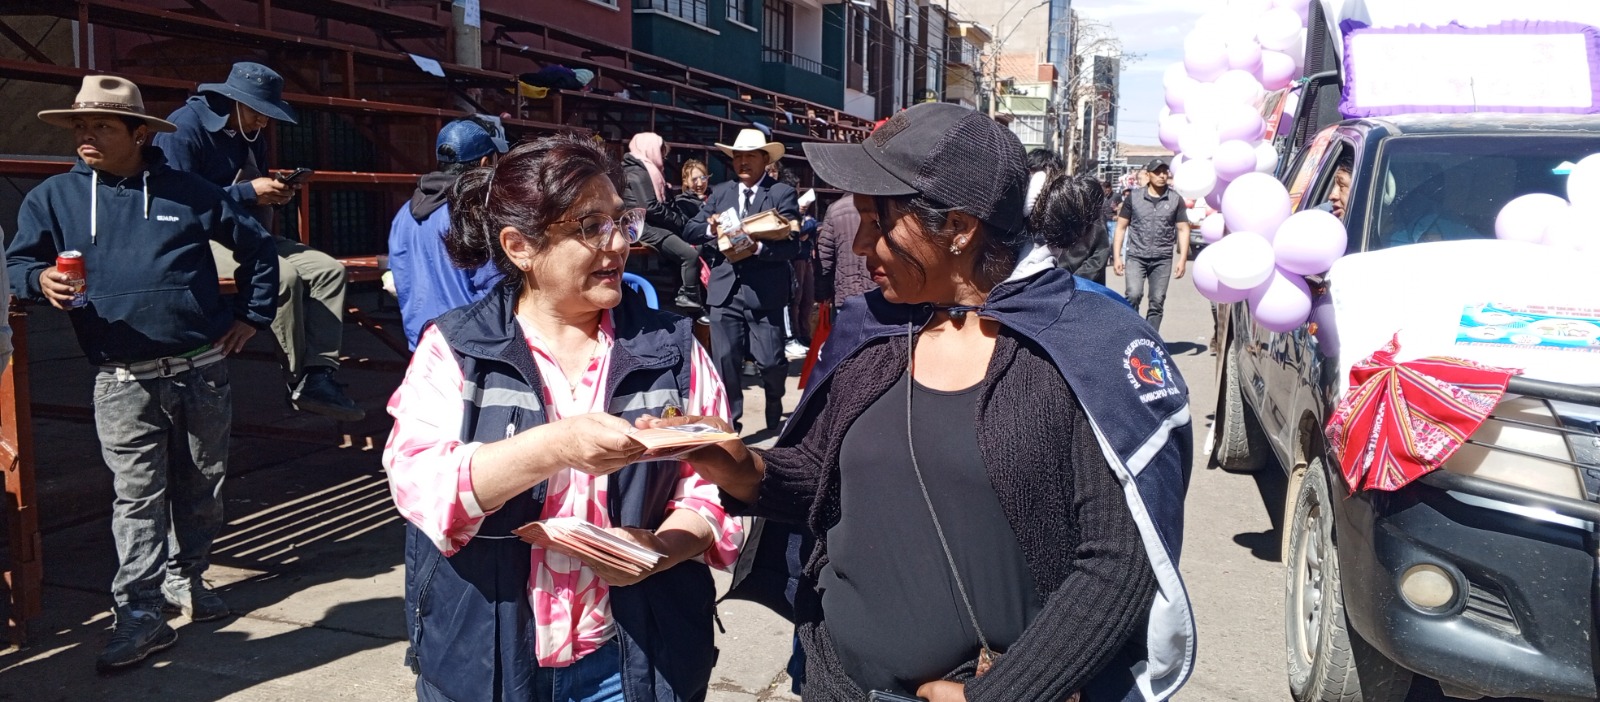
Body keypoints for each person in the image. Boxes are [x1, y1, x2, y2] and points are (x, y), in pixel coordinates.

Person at [643, 102, 1195, 702]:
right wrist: (738, 465)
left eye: (877, 223)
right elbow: (820, 478)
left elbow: (1117, 565)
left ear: (959, 228)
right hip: (836, 682)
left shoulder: (1081, 347)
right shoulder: (879, 334)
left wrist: (1001, 695)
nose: (858, 244)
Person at [384, 135, 743, 702]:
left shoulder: (670, 346)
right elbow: (421, 486)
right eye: (589, 228)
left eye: (622, 223)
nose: (617, 246)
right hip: (490, 658)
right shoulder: (456, 349)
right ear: (520, 246)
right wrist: (556, 446)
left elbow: (710, 494)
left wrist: (658, 550)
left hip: (638, 657)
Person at [8, 75, 277, 671]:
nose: (86, 136)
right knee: (137, 498)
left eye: (101, 125)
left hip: (201, 369)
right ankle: (140, 612)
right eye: (79, 126)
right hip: (121, 378)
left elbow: (258, 249)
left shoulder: (189, 190)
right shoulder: (52, 198)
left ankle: (189, 578)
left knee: (202, 488)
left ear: (138, 133)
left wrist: (252, 317)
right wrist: (37, 281)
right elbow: (18, 262)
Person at [154, 61, 362, 421]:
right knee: (282, 276)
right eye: (259, 112)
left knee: (328, 270)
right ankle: (298, 382)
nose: (264, 122)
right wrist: (248, 193)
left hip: (244, 233)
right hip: (195, 240)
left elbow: (244, 194)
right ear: (234, 101)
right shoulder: (182, 129)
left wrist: (274, 194)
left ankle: (319, 373)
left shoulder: (249, 136)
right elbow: (175, 204)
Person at [683, 128, 801, 431]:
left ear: (765, 159)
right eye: (738, 156)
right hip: (725, 291)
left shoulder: (781, 193)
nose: (743, 162)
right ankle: (730, 426)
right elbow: (690, 230)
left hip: (765, 292)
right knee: (725, 362)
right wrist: (710, 229)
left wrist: (758, 247)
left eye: (750, 156)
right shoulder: (720, 193)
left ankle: (774, 397)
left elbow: (793, 244)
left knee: (772, 362)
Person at [387, 117, 508, 350]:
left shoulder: (405, 213)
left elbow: (399, 278)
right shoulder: (473, 210)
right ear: (484, 162)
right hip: (473, 347)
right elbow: (496, 290)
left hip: (423, 344)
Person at [621, 132, 703, 311]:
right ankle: (689, 296)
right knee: (690, 254)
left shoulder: (646, 170)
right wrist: (678, 221)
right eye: (661, 151)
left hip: (648, 224)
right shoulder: (638, 172)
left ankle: (682, 297)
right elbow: (650, 207)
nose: (664, 157)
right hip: (642, 227)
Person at [1113, 158, 1191, 333]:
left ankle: (1150, 338)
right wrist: (1117, 256)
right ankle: (1131, 335)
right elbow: (1121, 227)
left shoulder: (1175, 199)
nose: (1162, 175)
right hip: (1136, 256)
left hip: (1162, 258)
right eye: (1157, 172)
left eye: (1165, 172)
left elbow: (1183, 229)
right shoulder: (1134, 197)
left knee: (1157, 301)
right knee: (1133, 295)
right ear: (1148, 175)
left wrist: (1183, 259)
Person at [813, 194, 870, 310]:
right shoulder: (884, 206)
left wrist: (822, 294)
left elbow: (824, 259)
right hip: (879, 293)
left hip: (845, 293)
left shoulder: (835, 209)